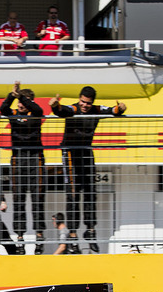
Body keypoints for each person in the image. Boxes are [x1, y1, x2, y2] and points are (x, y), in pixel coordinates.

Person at [49, 86, 127, 253]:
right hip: (69, 152)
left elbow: (113, 110)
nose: (85, 106)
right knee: (73, 194)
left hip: (86, 151)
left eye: (88, 103)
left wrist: (120, 109)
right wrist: (54, 106)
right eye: (83, 102)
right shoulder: (74, 108)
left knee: (91, 192)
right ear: (79, 99)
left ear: (92, 102)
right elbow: (61, 111)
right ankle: (72, 234)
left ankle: (90, 230)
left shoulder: (97, 109)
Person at [0, 81, 45, 255]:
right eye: (19, 102)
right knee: (18, 201)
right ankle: (19, 239)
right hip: (18, 160)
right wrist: (12, 95)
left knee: (37, 199)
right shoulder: (13, 114)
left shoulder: (36, 115)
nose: (20, 105)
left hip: (36, 160)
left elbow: (39, 111)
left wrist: (23, 98)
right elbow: (2, 109)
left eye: (23, 101)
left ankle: (39, 237)